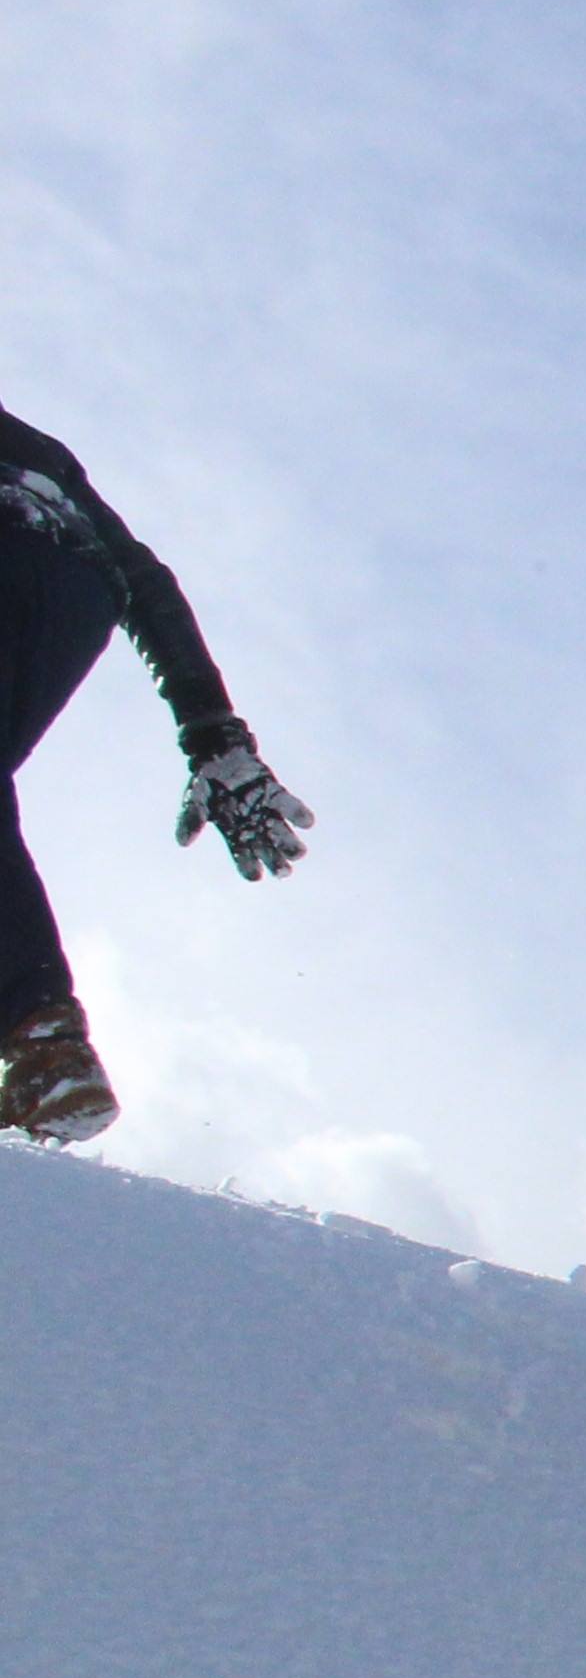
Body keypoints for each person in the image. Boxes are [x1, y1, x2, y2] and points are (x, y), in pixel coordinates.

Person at [0, 400, 312, 1142]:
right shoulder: (38, 448)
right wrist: (212, 730)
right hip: (76, 583)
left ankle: (41, 1040)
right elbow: (143, 578)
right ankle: (40, 1041)